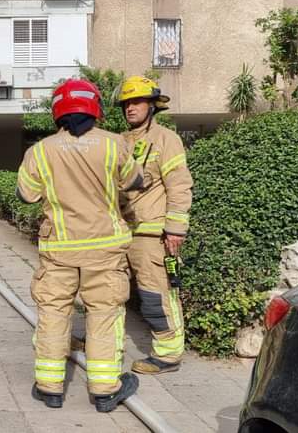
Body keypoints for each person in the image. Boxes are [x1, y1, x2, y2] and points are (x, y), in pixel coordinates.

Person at [16, 79, 146, 412]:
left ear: (57, 110)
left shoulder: (40, 151)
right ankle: (104, 391)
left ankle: (49, 387)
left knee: (53, 314)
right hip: (105, 249)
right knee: (103, 315)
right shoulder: (115, 144)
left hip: (59, 249)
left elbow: (26, 194)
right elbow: (135, 182)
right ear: (95, 107)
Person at [118, 76, 194, 375]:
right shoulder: (120, 140)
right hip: (120, 232)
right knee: (108, 292)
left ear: (152, 106)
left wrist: (175, 229)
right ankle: (101, 341)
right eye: (126, 103)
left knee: (155, 294)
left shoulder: (166, 139)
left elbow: (179, 185)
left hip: (151, 233)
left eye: (136, 102)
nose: (130, 108)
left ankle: (168, 353)